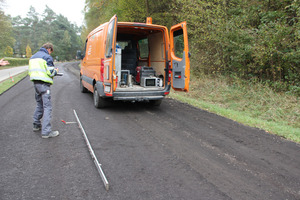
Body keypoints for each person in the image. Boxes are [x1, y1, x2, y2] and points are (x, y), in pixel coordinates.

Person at [28, 43, 59, 138]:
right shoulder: (47, 57)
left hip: (36, 84)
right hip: (44, 85)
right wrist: (56, 71)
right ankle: (46, 131)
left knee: (39, 104)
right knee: (47, 107)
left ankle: (36, 124)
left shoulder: (32, 57)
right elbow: (51, 72)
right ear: (49, 49)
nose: (50, 53)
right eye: (51, 51)